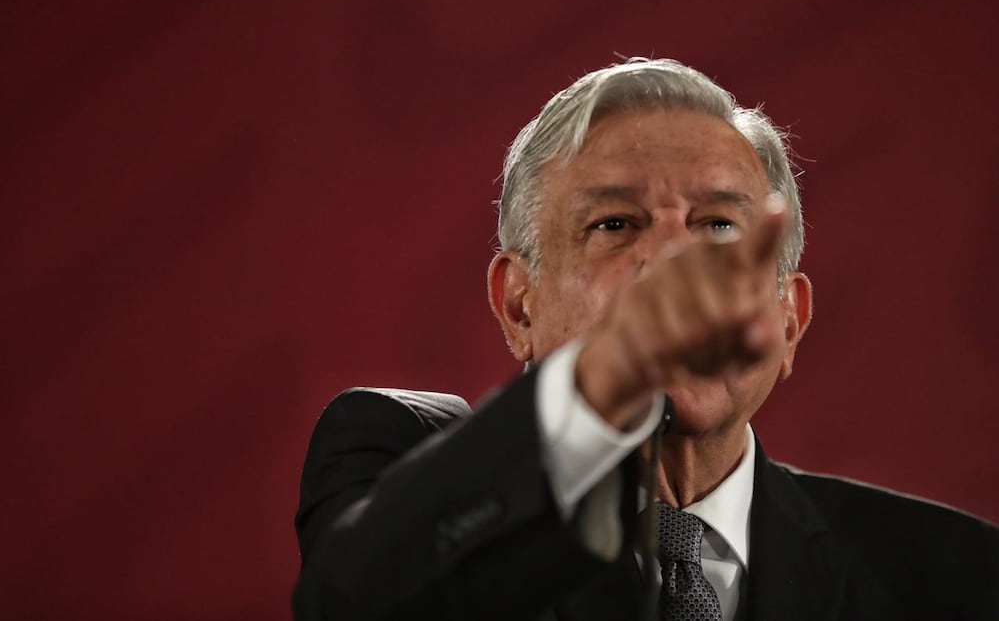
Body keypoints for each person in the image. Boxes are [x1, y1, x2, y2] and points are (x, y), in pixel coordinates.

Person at [293, 58, 999, 621]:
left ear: (788, 320)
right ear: (517, 304)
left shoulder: (958, 574)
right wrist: (607, 382)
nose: (672, 265)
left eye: (718, 226)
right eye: (614, 225)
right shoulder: (395, 457)